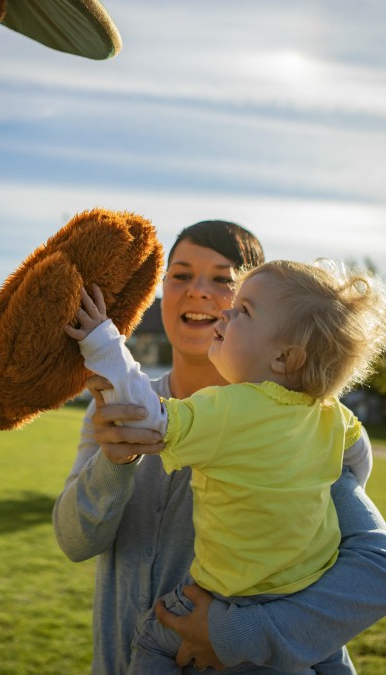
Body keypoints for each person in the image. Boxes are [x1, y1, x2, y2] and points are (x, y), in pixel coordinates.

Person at [53, 221, 386, 674]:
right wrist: (114, 462)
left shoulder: (301, 430)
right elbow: (75, 542)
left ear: (286, 343)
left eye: (227, 282)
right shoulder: (112, 409)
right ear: (161, 289)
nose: (200, 292)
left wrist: (237, 635)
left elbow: (375, 567)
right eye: (181, 274)